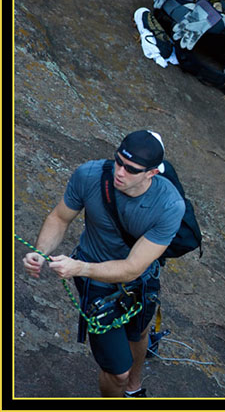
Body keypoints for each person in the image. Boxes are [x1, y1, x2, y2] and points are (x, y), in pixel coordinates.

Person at [22, 130, 185, 398]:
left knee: (139, 333)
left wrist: (77, 267)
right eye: (118, 161)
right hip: (95, 284)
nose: (120, 172)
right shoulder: (89, 176)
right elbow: (60, 218)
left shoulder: (169, 205)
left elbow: (133, 267)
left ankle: (134, 388)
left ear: (151, 174)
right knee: (117, 371)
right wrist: (40, 252)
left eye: (131, 169)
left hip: (139, 280)